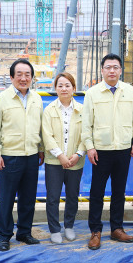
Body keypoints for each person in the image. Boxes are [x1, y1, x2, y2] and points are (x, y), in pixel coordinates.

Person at [82, 53, 133, 250]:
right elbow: (86, 124)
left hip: (123, 149)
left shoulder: (130, 91)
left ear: (121, 70)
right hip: (101, 150)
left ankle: (117, 228)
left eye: (116, 67)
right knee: (97, 192)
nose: (112, 71)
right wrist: (90, 146)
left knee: (119, 191)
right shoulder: (92, 93)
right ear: (102, 70)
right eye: (108, 67)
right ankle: (95, 231)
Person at [0, 58, 44, 252]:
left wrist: (41, 149)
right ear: (11, 77)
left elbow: (40, 127)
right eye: (19, 74)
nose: (23, 78)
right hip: (9, 156)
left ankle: (24, 232)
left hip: (32, 156)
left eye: (27, 74)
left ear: (32, 78)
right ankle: (4, 236)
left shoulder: (37, 99)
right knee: (7, 199)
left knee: (28, 199)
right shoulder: (1, 99)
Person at [42, 72, 86, 244]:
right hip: (54, 162)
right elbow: (47, 136)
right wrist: (60, 156)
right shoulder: (49, 110)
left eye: (67, 85)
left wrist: (78, 154)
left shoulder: (82, 110)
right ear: (55, 88)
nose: (64, 89)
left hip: (76, 162)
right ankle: (54, 229)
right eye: (60, 85)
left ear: (74, 88)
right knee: (53, 197)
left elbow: (86, 135)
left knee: (72, 196)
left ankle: (69, 226)